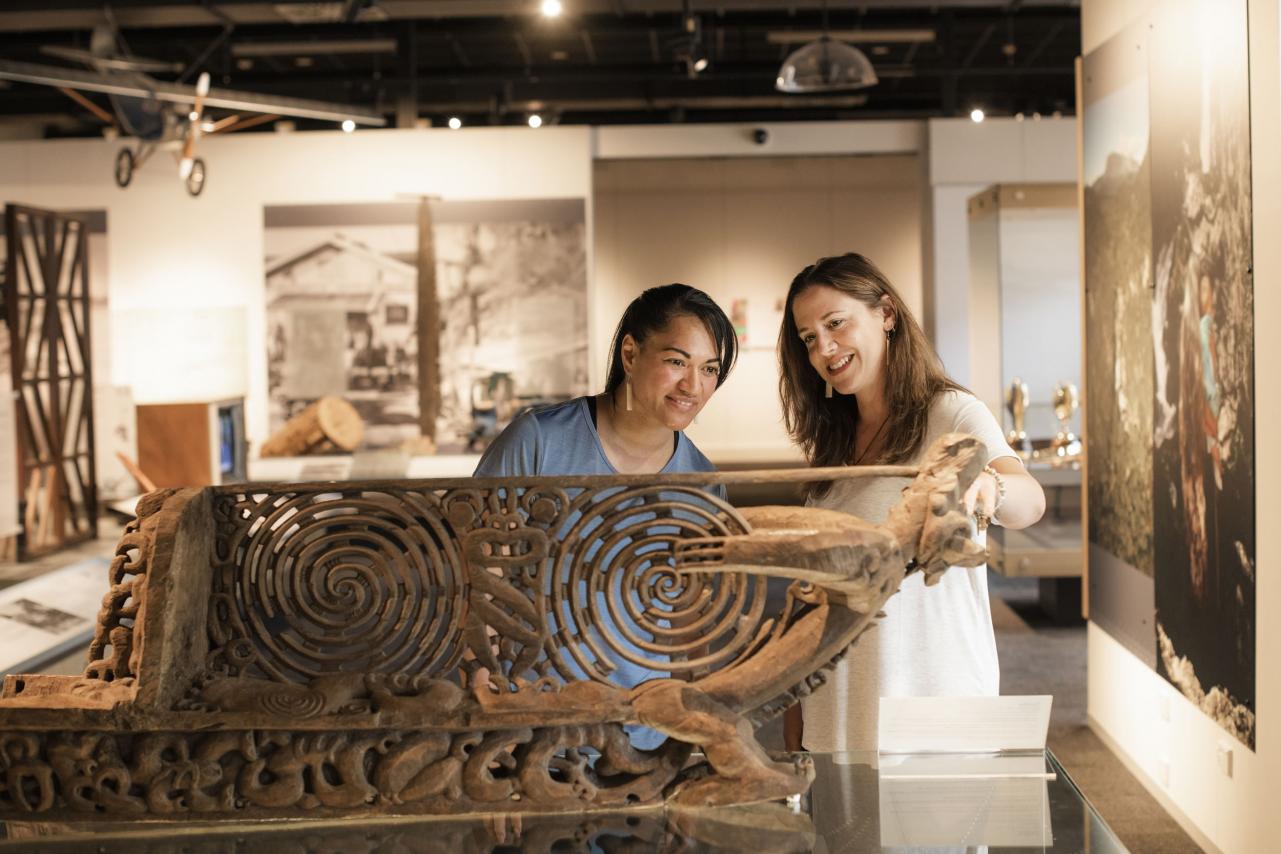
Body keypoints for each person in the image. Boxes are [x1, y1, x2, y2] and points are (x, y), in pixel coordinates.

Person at [777, 252, 1045, 751]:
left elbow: (1029, 502)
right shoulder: (832, 443)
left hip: (935, 706)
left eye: (836, 324)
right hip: (837, 708)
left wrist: (991, 486)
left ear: (887, 314)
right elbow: (812, 593)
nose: (824, 349)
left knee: (938, 831)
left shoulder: (950, 412)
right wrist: (796, 711)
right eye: (809, 338)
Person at [473, 283, 739, 748]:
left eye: (709, 369)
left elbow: (690, 626)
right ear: (631, 353)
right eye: (677, 361)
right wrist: (491, 732)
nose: (693, 386)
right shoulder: (538, 441)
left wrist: (691, 739)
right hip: (533, 732)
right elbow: (478, 578)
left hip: (646, 740)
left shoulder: (702, 480)